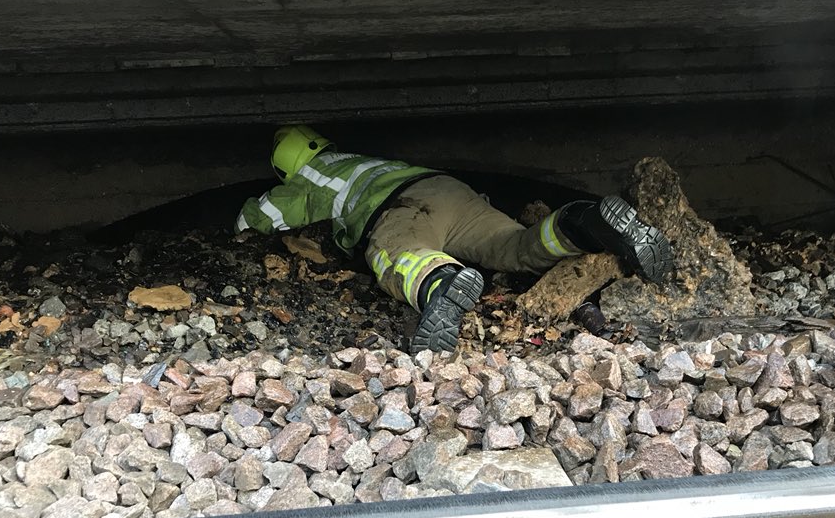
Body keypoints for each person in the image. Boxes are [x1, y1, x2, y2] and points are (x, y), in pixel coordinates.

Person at [237, 125, 674, 354]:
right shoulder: (361, 159)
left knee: (396, 256)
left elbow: (259, 217)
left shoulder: (308, 177)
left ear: (285, 165)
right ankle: (590, 221)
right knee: (517, 247)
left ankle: (442, 283)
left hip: (403, 209)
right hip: (450, 191)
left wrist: (240, 225)